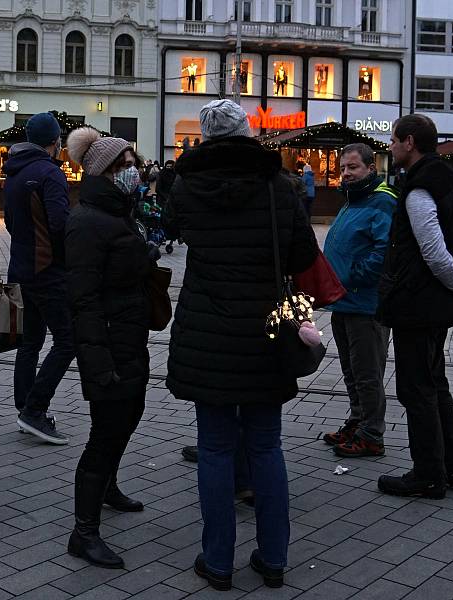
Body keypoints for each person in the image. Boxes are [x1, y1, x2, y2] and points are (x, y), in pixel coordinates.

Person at [163, 99, 317, 590]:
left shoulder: (186, 185)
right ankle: (273, 558)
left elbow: (170, 229)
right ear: (249, 132)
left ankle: (218, 561)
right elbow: (302, 255)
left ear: (206, 136)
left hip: (207, 329)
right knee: (267, 446)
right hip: (265, 332)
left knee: (214, 448)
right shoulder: (279, 186)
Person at [377, 114, 453, 498]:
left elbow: (434, 251)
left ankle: (429, 475)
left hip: (417, 304)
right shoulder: (452, 180)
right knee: (434, 383)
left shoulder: (420, 187)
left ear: (409, 142)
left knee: (416, 389)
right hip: (435, 303)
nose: (389, 147)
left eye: (393, 140)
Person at [64, 127, 154, 569]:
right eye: (125, 165)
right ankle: (84, 532)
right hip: (108, 344)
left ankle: (110, 486)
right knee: (105, 432)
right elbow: (82, 300)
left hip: (128, 334)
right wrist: (96, 362)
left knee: (127, 418)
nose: (133, 171)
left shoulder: (120, 213)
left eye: (133, 164)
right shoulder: (87, 222)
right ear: (103, 172)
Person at [3, 112, 74, 444]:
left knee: (29, 342)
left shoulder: (13, 171)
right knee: (67, 340)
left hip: (20, 266)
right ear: (55, 141)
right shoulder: (50, 173)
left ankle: (25, 409)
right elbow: (60, 225)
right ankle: (35, 409)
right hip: (46, 270)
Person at [322, 143, 397, 458]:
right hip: (343, 301)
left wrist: (352, 277)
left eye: (352, 167)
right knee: (352, 370)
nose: (346, 174)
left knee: (367, 373)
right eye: (342, 168)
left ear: (370, 167)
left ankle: (372, 435)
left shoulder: (383, 202)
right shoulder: (353, 200)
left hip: (366, 304)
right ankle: (357, 420)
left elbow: (384, 253)